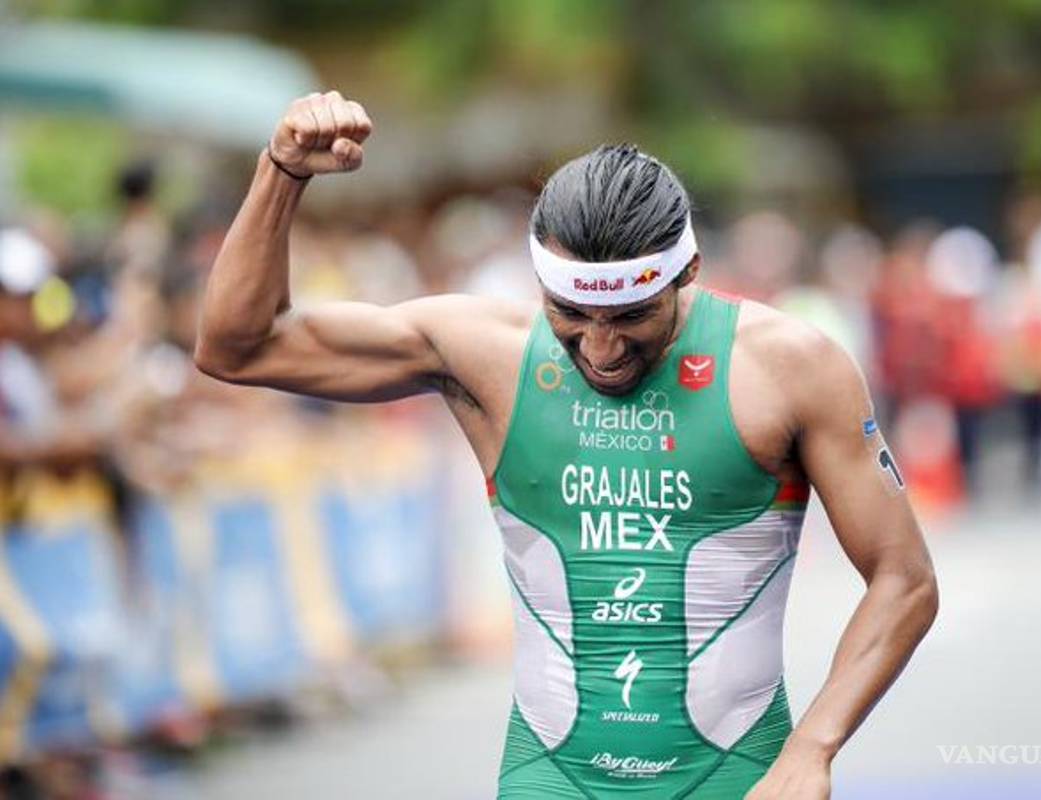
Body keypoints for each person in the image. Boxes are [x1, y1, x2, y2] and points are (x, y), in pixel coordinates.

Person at [195, 91, 939, 800]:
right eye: (571, 314)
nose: (603, 347)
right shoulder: (483, 353)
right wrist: (282, 170)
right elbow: (238, 347)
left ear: (689, 274)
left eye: (632, 315)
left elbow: (903, 579)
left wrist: (812, 749)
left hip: (738, 780)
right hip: (552, 780)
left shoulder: (789, 367)